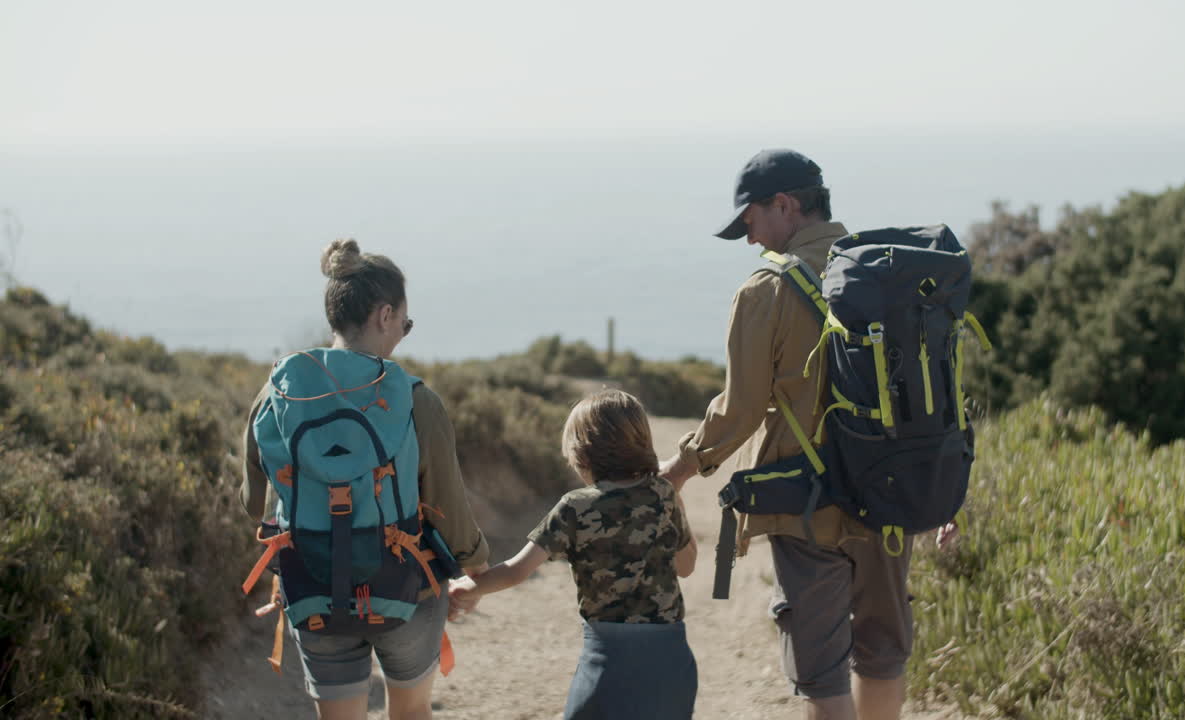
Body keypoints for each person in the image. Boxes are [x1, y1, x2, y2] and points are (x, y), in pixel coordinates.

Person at [659, 149, 954, 720]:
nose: (750, 240)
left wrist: (676, 472)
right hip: (893, 492)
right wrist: (944, 485)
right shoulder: (889, 271)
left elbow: (740, 410)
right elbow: (934, 389)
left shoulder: (765, 291)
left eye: (750, 222)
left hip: (807, 503)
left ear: (785, 205)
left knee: (821, 669)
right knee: (883, 653)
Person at [239, 238, 490, 720]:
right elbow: (451, 510)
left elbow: (257, 505)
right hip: (406, 588)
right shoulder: (417, 399)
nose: (402, 333)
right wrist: (473, 567)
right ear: (385, 314)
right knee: (412, 712)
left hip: (311, 585)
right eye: (405, 324)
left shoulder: (276, 394)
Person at [448, 389, 698, 720]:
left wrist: (466, 587)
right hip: (671, 661)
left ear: (582, 454)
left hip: (610, 662)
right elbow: (686, 566)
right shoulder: (663, 495)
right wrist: (674, 498)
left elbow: (517, 571)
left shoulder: (576, 507)